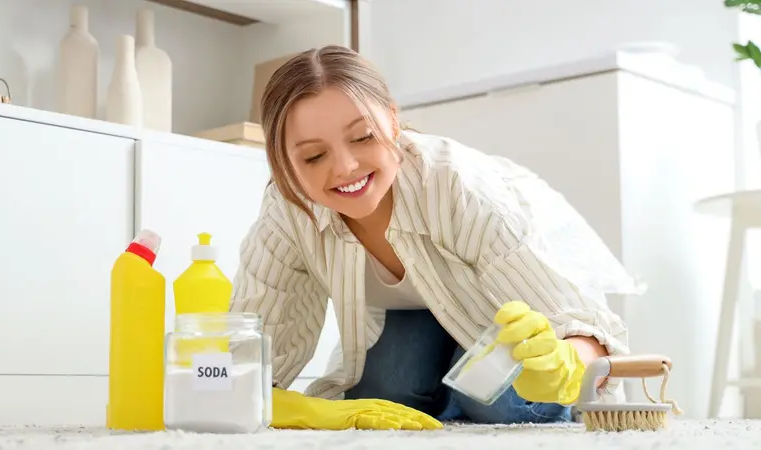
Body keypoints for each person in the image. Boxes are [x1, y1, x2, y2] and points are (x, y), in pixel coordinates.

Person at [229, 45, 642, 431]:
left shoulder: (456, 185)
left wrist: (568, 364)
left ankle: (461, 388)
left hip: (500, 303)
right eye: (314, 156)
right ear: (282, 160)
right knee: (381, 396)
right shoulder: (288, 209)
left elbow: (585, 327)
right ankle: (446, 380)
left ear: (392, 120)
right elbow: (246, 364)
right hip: (412, 315)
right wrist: (308, 410)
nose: (346, 167)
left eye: (362, 137)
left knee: (497, 402)